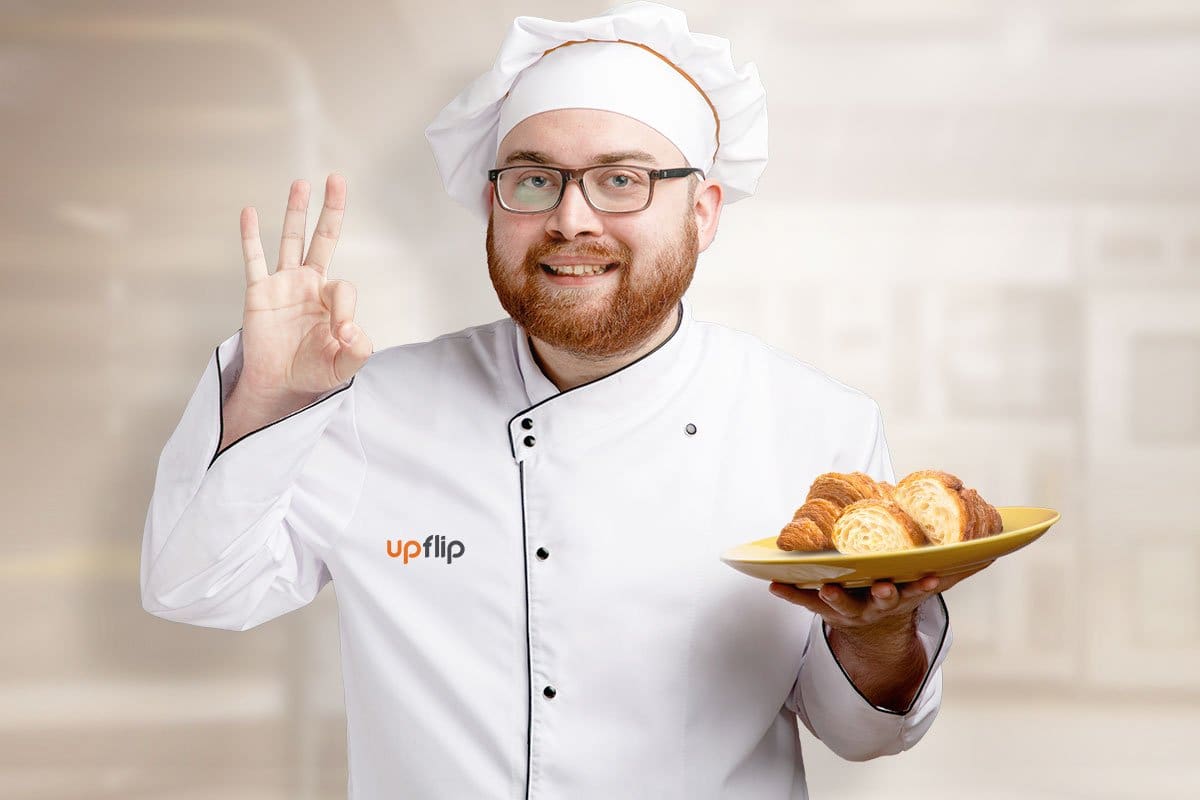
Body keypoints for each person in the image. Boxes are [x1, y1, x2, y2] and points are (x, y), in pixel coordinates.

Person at [140, 2, 988, 797]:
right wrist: (261, 399)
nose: (570, 218)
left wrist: (878, 633)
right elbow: (195, 590)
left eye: (621, 180)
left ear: (705, 212)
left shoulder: (814, 424)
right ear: (493, 202)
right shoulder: (371, 406)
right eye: (535, 179)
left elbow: (862, 734)